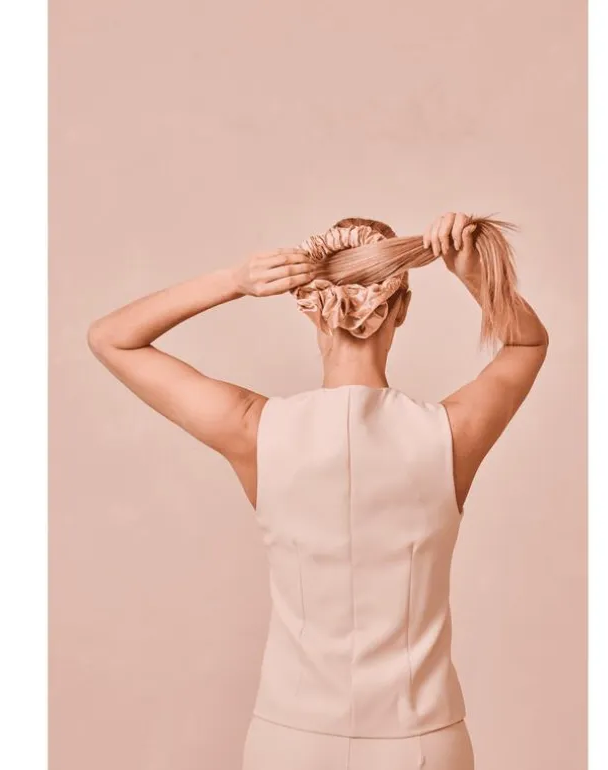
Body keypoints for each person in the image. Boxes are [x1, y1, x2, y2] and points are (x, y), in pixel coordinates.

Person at [87, 211, 549, 770]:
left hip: (292, 740)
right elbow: (527, 344)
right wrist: (473, 276)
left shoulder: (254, 429)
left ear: (307, 305)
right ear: (400, 309)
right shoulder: (451, 434)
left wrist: (235, 281)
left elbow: (111, 339)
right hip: (423, 741)